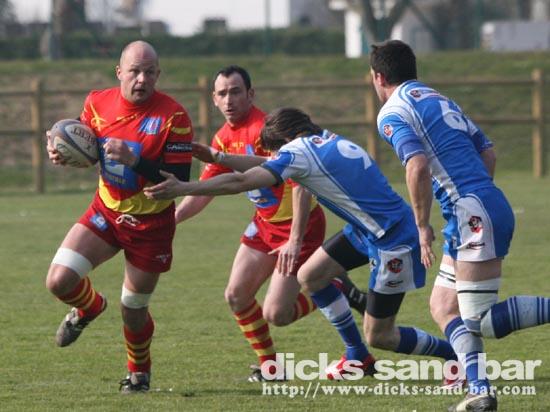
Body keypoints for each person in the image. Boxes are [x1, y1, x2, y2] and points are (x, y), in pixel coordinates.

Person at [143, 107, 459, 381]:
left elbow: (241, 181)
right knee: (311, 276)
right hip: (367, 229)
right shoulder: (322, 141)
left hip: (393, 240)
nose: (276, 158)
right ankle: (356, 356)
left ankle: (457, 358)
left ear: (285, 140)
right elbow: (276, 166)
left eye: (277, 151)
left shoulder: (298, 153)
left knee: (381, 335)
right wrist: (219, 157)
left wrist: (183, 187)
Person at [370, 39, 550, 411]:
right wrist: (474, 199)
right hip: (476, 208)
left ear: (378, 77)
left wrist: (423, 225)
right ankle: (479, 391)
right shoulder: (439, 99)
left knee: (480, 319)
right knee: (443, 306)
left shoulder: (392, 111)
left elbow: (416, 165)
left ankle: (480, 388)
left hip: (472, 212)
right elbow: (488, 152)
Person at [174, 65, 367, 382]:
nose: (229, 99)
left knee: (277, 314)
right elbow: (206, 190)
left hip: (300, 226)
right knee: (236, 295)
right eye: (222, 93)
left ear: (250, 94)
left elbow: (302, 182)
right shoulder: (223, 139)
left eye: (236, 91)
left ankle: (332, 286)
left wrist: (295, 238)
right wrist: (171, 220)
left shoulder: (267, 132)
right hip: (264, 225)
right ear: (213, 99)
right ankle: (271, 368)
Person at [45, 40, 194, 393]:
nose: (142, 79)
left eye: (149, 72)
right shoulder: (97, 102)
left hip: (151, 226)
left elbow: (180, 179)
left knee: (133, 309)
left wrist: (135, 160)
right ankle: (90, 308)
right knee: (59, 282)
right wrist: (60, 152)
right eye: (134, 71)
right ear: (119, 72)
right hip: (106, 212)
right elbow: (83, 144)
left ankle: (139, 373)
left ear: (158, 74)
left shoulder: (174, 117)